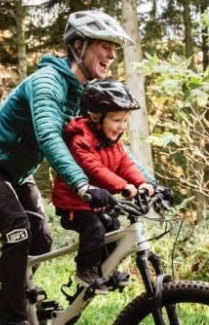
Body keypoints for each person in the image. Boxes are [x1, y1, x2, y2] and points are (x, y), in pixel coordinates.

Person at [0, 10, 133, 325]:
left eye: (115, 48)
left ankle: (8, 301)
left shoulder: (83, 94)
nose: (112, 55)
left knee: (40, 238)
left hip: (17, 173)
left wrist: (145, 184)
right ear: (79, 46)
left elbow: (108, 148)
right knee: (18, 230)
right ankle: (13, 324)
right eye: (105, 46)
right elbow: (50, 137)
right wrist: (83, 186)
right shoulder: (47, 83)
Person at [52, 80, 155, 294]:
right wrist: (123, 186)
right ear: (96, 117)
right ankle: (85, 271)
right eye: (116, 120)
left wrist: (142, 182)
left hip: (98, 202)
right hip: (74, 203)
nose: (121, 126)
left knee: (113, 227)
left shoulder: (114, 142)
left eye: (124, 121)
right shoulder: (81, 141)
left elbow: (126, 164)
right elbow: (95, 168)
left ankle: (106, 270)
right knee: (95, 229)